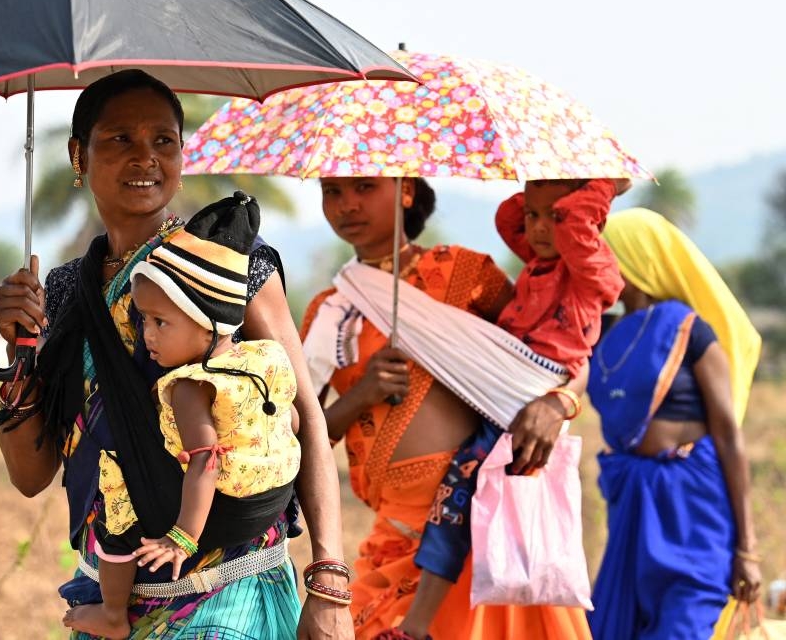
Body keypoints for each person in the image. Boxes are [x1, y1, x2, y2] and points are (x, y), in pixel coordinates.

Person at [0, 69, 355, 639]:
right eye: (119, 140)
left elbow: (304, 415)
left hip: (228, 591)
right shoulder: (60, 295)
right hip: (106, 601)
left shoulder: (228, 266)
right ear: (76, 155)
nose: (146, 158)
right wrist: (19, 355)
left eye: (164, 140)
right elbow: (32, 476)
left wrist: (329, 579)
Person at [300, 176, 592, 639]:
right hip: (393, 532)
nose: (347, 205)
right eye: (332, 191)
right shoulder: (330, 313)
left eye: (364, 187)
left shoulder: (466, 273)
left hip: (483, 514)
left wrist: (559, 403)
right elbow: (303, 442)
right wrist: (362, 394)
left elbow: (556, 357)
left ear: (406, 190)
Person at [394, 178, 626, 640]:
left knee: (458, 500)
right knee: (461, 501)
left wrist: (602, 186)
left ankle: (416, 628)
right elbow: (507, 217)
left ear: (587, 217)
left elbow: (579, 228)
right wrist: (545, 183)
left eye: (557, 216)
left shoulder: (592, 269)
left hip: (528, 397)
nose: (541, 228)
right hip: (504, 392)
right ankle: (421, 623)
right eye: (535, 216)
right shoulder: (540, 263)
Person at [63, 191, 303, 638]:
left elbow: (205, 459)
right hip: (266, 498)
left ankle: (112, 614)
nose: (147, 334)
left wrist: (183, 537)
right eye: (144, 320)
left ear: (207, 321)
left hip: (214, 519)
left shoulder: (189, 386)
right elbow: (293, 421)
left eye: (160, 322)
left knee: (115, 493)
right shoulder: (264, 357)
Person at [587, 207, 763, 639]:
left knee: (682, 626)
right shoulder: (604, 332)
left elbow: (728, 436)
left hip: (694, 507)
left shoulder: (690, 331)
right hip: (633, 505)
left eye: (606, 256)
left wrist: (747, 549)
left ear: (636, 260)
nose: (597, 265)